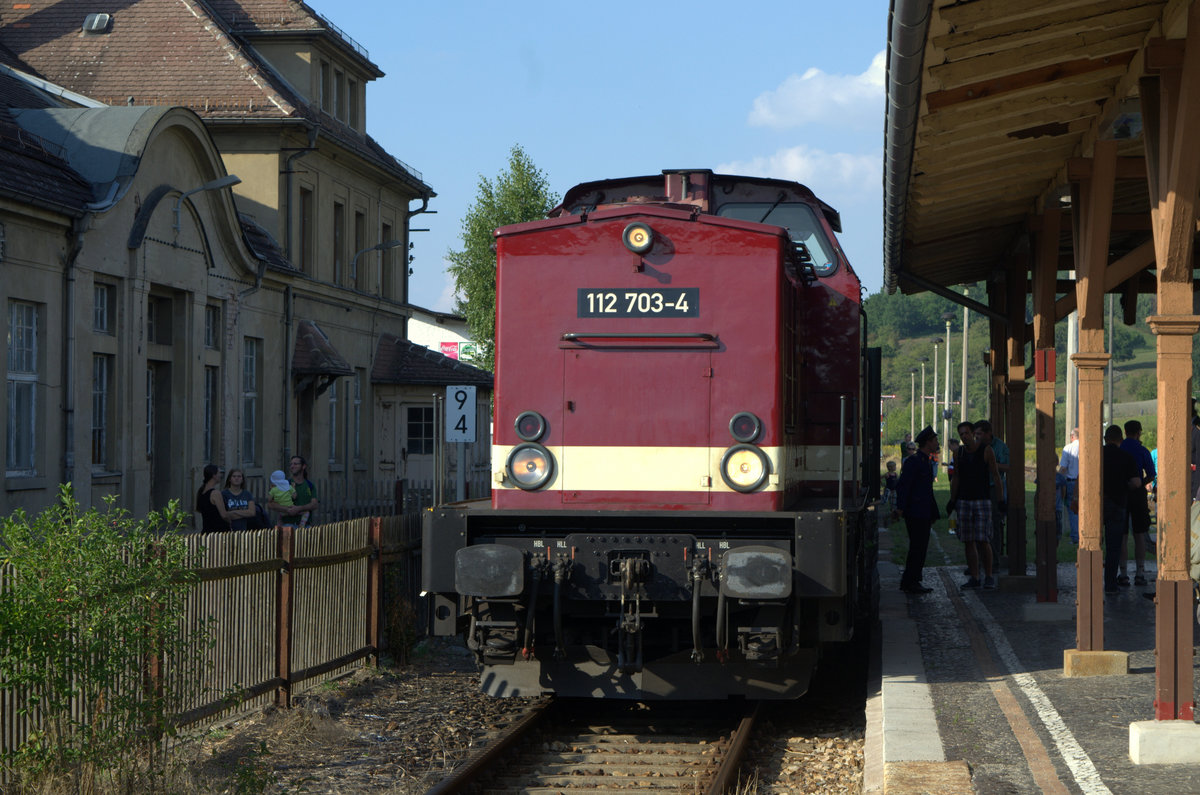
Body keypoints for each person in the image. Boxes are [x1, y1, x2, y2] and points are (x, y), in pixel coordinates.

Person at [946, 421, 1002, 589]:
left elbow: (996, 476)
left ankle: (989, 575)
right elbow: (956, 477)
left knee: (984, 539)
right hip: (964, 500)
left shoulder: (986, 451)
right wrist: (952, 499)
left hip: (982, 500)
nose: (964, 437)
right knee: (968, 540)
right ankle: (975, 576)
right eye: (961, 434)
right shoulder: (958, 453)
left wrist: (1000, 500)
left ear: (973, 433)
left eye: (966, 433)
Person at [894, 425, 941, 595]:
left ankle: (912, 580)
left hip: (923, 511)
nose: (937, 443)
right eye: (935, 440)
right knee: (917, 547)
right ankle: (910, 581)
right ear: (928, 442)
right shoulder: (914, 462)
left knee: (920, 547)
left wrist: (933, 512)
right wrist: (900, 508)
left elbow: (927, 490)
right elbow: (904, 487)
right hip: (915, 512)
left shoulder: (925, 461)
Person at [1102, 425, 1140, 594]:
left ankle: (1090, 584)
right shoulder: (1126, 457)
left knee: (1092, 545)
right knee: (1113, 547)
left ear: (1105, 439)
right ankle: (1110, 584)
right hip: (1118, 504)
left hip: (1098, 504)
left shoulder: (1097, 455)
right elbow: (1136, 482)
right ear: (1121, 440)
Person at [1119, 420, 1155, 586]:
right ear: (1139, 432)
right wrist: (1141, 482)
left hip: (1121, 493)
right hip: (1138, 495)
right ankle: (1140, 572)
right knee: (1139, 534)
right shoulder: (1142, 450)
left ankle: (1123, 572)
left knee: (1122, 535)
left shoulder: (1121, 448)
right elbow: (1151, 474)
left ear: (1125, 432)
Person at [974, 420, 1009, 556]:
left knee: (994, 522)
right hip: (978, 488)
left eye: (979, 433)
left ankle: (995, 557)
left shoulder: (1000, 447)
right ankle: (977, 559)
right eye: (975, 434)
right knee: (976, 524)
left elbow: (1008, 467)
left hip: (993, 488)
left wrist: (992, 464)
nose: (976, 436)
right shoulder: (973, 446)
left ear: (988, 433)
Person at [195, 464, 255, 532]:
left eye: (239, 476)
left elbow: (252, 512)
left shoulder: (202, 491)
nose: (221, 475)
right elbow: (224, 515)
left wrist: (233, 513)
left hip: (207, 530)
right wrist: (230, 521)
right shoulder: (216, 493)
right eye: (219, 473)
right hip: (217, 532)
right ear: (214, 475)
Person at [1058, 428, 1080, 544]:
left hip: (1071, 482)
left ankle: (1076, 537)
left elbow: (1063, 468)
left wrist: (1057, 479)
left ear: (1072, 437)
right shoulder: (1085, 447)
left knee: (1073, 510)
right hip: (1083, 483)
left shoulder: (1068, 448)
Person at [880, 460, 899, 528]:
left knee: (893, 505)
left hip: (894, 491)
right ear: (890, 467)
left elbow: (897, 482)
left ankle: (891, 518)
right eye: (894, 466)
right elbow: (880, 478)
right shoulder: (887, 474)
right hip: (888, 490)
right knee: (884, 501)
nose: (895, 467)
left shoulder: (896, 474)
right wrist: (883, 485)